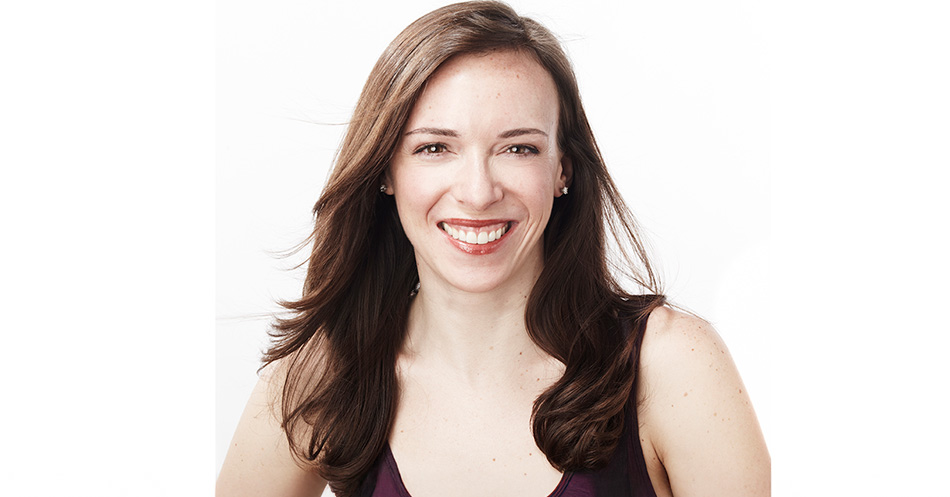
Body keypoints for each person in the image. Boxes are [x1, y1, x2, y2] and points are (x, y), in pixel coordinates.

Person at [217, 2, 770, 496]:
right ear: (387, 170)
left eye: (518, 148)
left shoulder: (670, 365)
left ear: (562, 170)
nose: (479, 192)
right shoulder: (321, 381)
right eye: (435, 147)